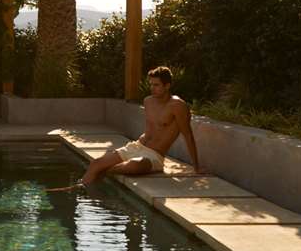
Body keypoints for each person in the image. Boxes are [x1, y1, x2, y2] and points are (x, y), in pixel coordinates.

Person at [52, 66, 203, 191]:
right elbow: (150, 129)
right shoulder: (148, 101)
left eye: (156, 85)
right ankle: (80, 188)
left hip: (154, 155)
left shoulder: (178, 106)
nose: (152, 88)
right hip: (136, 146)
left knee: (135, 165)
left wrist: (196, 167)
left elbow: (188, 135)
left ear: (167, 86)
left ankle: (99, 176)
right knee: (96, 163)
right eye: (151, 84)